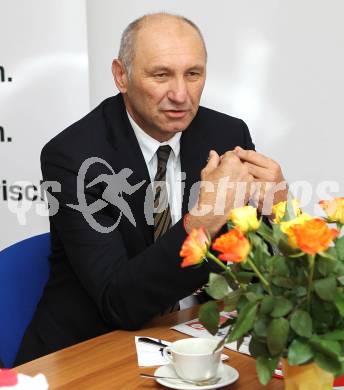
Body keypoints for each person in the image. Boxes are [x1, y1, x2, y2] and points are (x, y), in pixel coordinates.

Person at [15, 13, 287, 364]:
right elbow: (120, 303)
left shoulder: (226, 135)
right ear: (121, 76)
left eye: (193, 74)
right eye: (161, 75)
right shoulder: (74, 156)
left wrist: (278, 212)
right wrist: (204, 219)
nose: (180, 95)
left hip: (193, 338)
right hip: (91, 348)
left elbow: (250, 271)